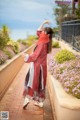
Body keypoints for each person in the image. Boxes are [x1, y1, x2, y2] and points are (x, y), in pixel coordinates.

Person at [22, 20, 53, 109]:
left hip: (37, 67)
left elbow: (35, 56)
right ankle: (39, 101)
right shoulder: (45, 40)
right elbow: (38, 31)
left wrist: (26, 56)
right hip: (42, 67)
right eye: (42, 31)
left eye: (44, 31)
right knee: (40, 84)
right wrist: (43, 23)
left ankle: (28, 99)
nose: (41, 32)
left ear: (47, 34)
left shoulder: (42, 43)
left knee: (32, 81)